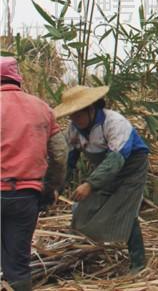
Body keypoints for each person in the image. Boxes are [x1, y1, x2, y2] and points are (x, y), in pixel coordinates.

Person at [54, 85, 149, 274]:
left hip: (130, 168)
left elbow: (116, 158)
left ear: (91, 108)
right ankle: (91, 251)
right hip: (104, 170)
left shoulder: (114, 123)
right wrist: (57, 186)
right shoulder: (74, 130)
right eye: (71, 115)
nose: (74, 119)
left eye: (78, 115)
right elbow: (69, 160)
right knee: (84, 209)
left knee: (126, 211)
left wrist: (90, 184)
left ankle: (138, 263)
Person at [0, 57, 68, 291]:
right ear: (17, 78)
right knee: (18, 264)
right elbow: (59, 154)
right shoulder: (41, 107)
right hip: (26, 195)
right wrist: (50, 188)